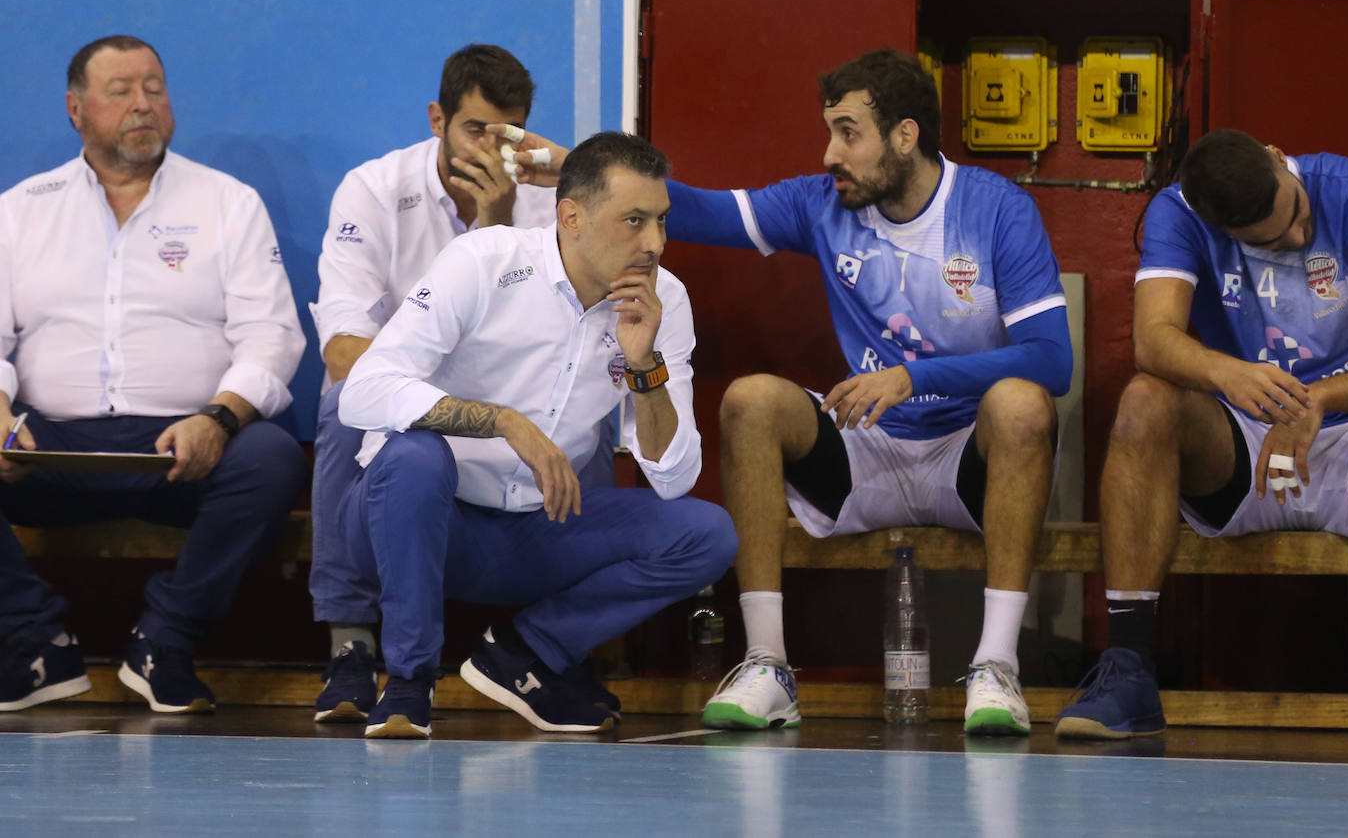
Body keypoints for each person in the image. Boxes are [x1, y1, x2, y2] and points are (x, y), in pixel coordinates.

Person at [508, 50, 1073, 733]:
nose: (830, 152)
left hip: (966, 461)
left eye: (848, 132)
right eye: (829, 130)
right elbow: (703, 212)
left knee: (1023, 404)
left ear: (904, 135)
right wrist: (583, 171)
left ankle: (996, 665)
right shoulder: (821, 202)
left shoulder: (995, 209)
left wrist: (912, 377)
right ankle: (767, 663)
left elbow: (1052, 361)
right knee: (751, 400)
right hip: (868, 453)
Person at [334, 131, 737, 739]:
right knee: (416, 456)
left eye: (660, 221)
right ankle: (409, 683)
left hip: (532, 535)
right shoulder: (484, 261)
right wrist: (502, 420)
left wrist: (645, 367)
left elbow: (674, 477)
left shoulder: (665, 301)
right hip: (410, 522)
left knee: (706, 535)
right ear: (571, 217)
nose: (653, 244)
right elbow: (363, 391)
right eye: (633, 221)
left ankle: (525, 653)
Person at [0, 35, 307, 714]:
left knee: (271, 455)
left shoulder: (228, 202)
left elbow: (272, 335)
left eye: (155, 89)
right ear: (76, 109)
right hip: (46, 449)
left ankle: (164, 640)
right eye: (121, 92)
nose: (144, 105)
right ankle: (33, 642)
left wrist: (219, 417)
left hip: (184, 446)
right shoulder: (21, 208)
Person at [308, 44, 615, 723]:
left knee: (601, 406)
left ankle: (558, 647)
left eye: (508, 134)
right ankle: (350, 643)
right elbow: (342, 350)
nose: (491, 151)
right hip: (408, 406)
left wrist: (499, 223)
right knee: (339, 402)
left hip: (520, 400)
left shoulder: (553, 205)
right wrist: (423, 374)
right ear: (436, 120)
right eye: (475, 129)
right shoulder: (374, 189)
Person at [1056, 130, 1348, 739]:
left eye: (1298, 217)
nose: (1299, 239)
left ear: (1280, 159)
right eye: (1275, 241)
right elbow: (1153, 338)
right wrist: (1230, 373)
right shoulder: (1177, 212)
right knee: (1146, 399)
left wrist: (1320, 399)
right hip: (1246, 445)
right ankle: (1127, 672)